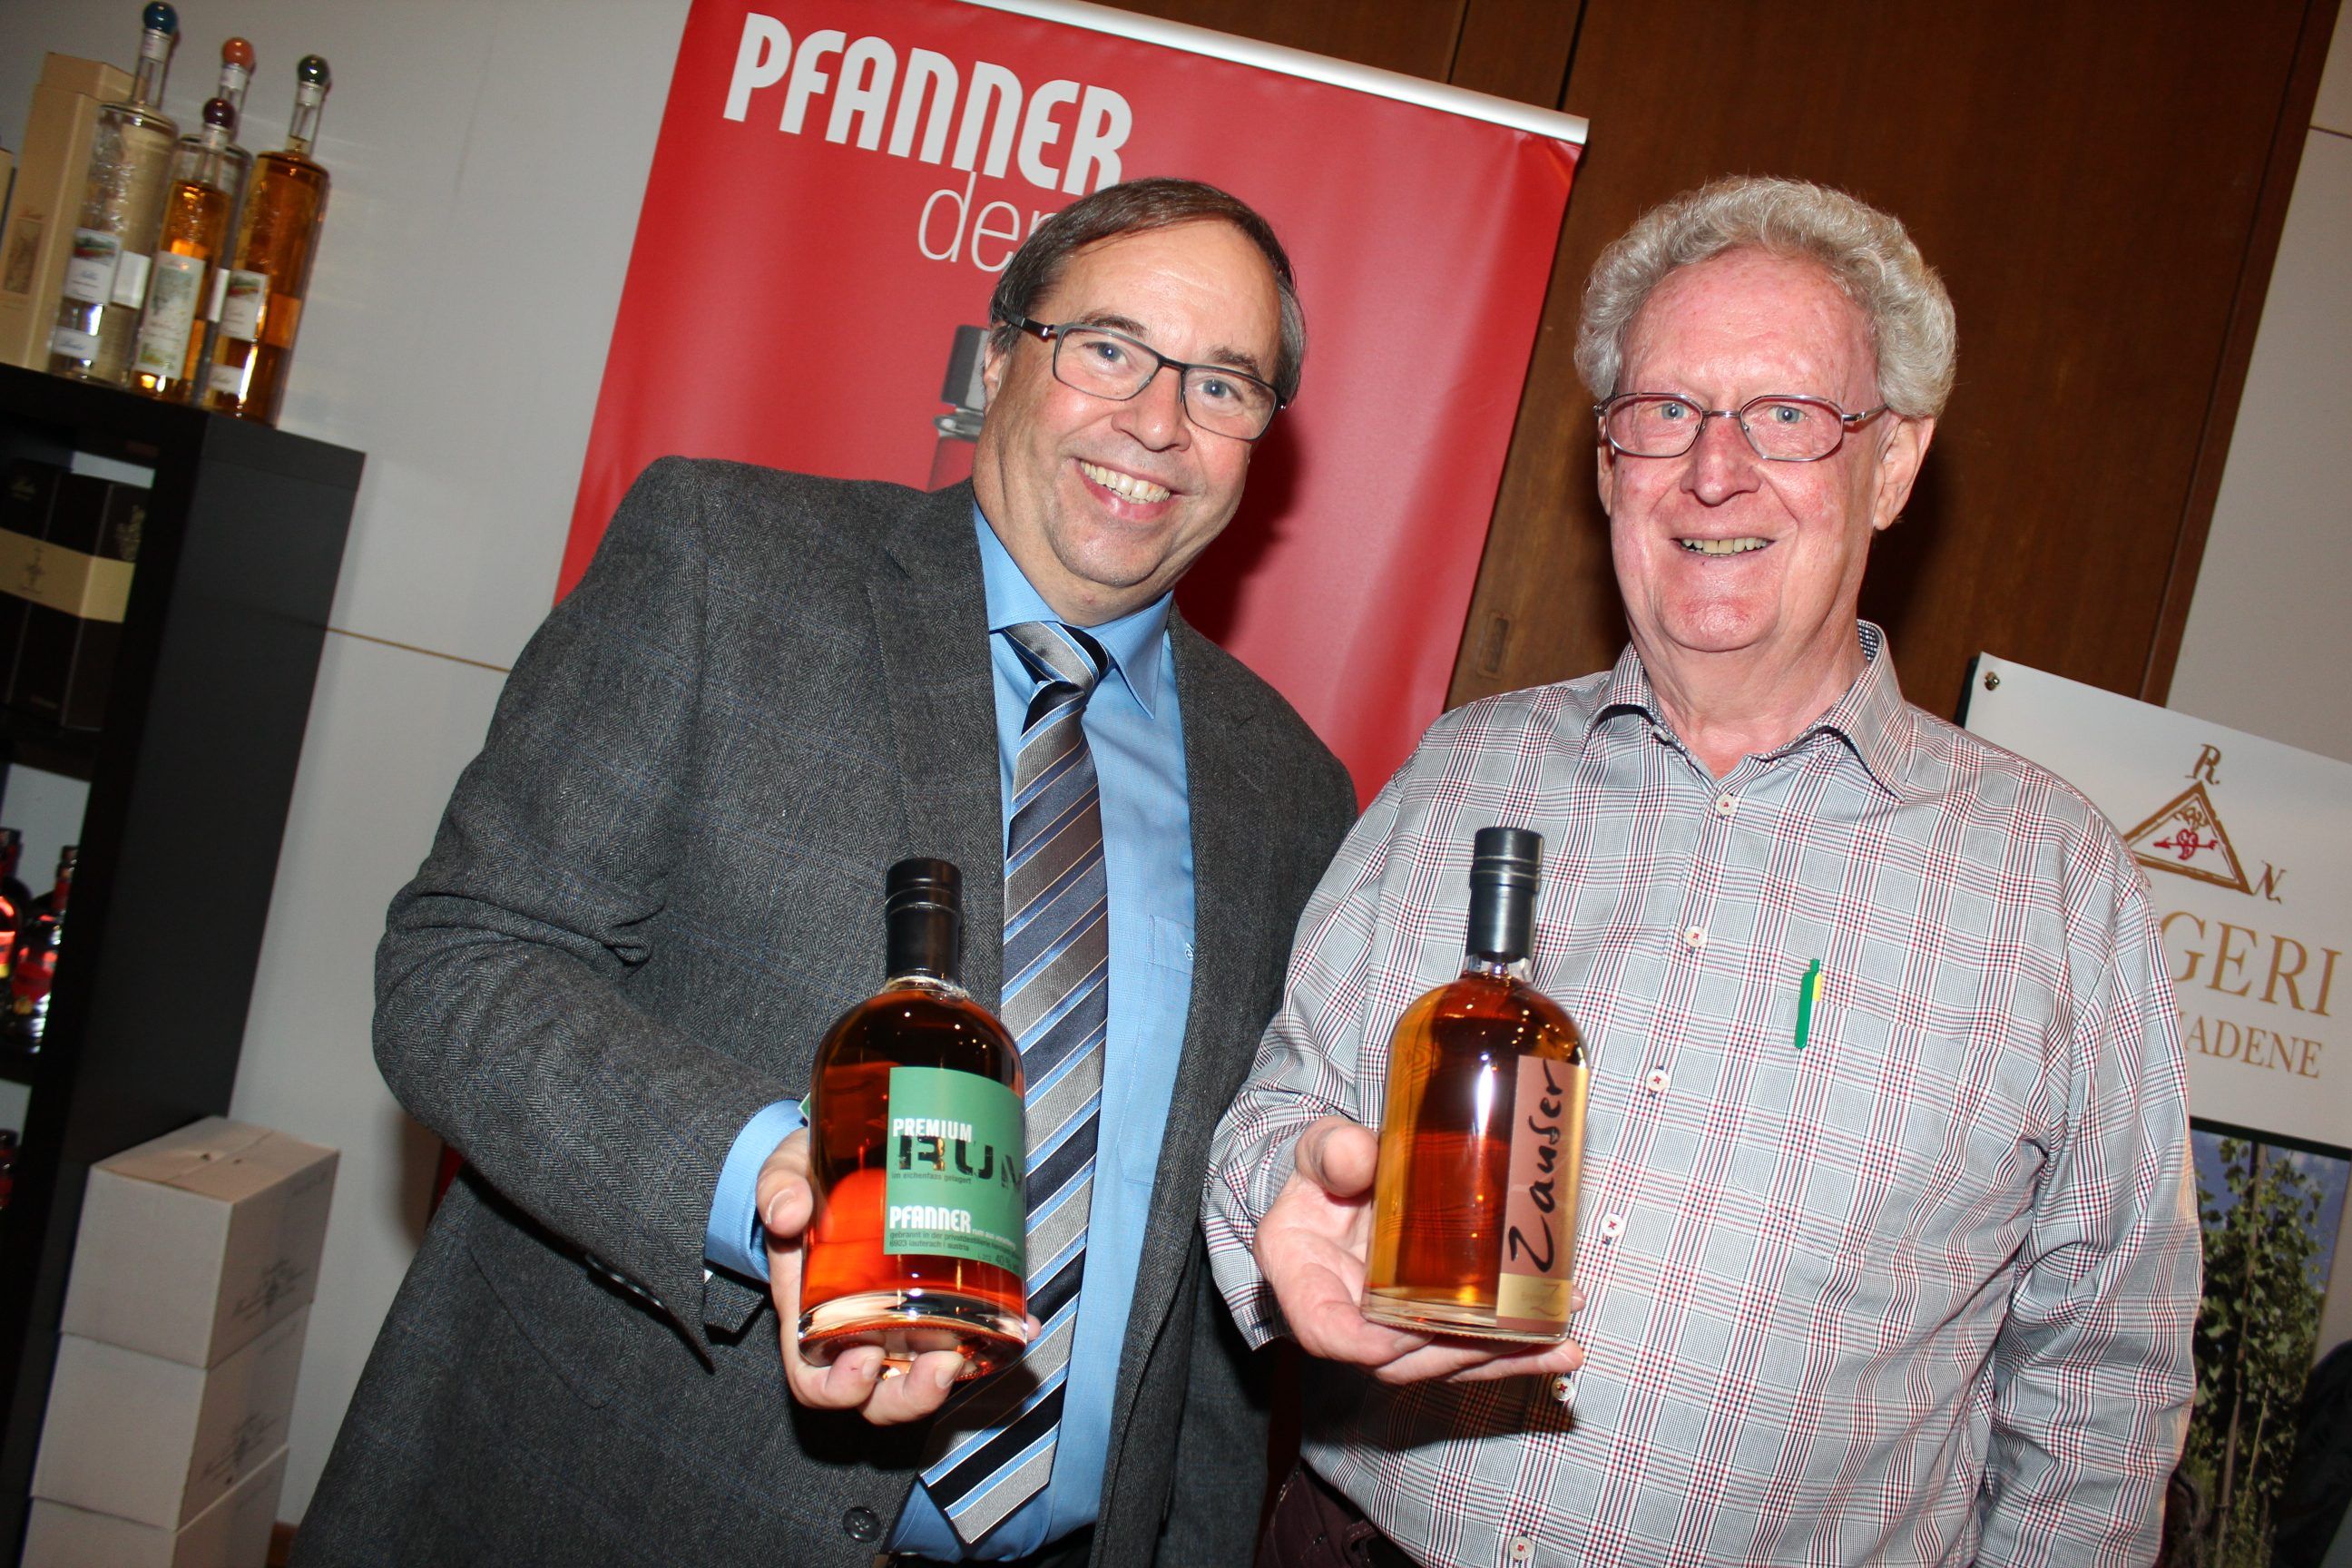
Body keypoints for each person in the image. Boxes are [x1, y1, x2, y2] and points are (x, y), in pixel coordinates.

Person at [297, 178, 1357, 1568]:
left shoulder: (1291, 789)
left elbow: (1207, 1305)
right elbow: (461, 967)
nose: (1159, 421)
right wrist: (769, 1186)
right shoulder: (725, 562)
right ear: (998, 360)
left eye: (1222, 384)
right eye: (1109, 348)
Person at [1204, 175, 2200, 1566]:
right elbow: (1283, 1108)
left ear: (1892, 464)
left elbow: (2104, 1389)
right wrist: (1284, 1198)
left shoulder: (2057, 881)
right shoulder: (1466, 772)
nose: (1713, 472)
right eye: (1666, 412)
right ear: (1607, 465)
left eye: (1786, 416)